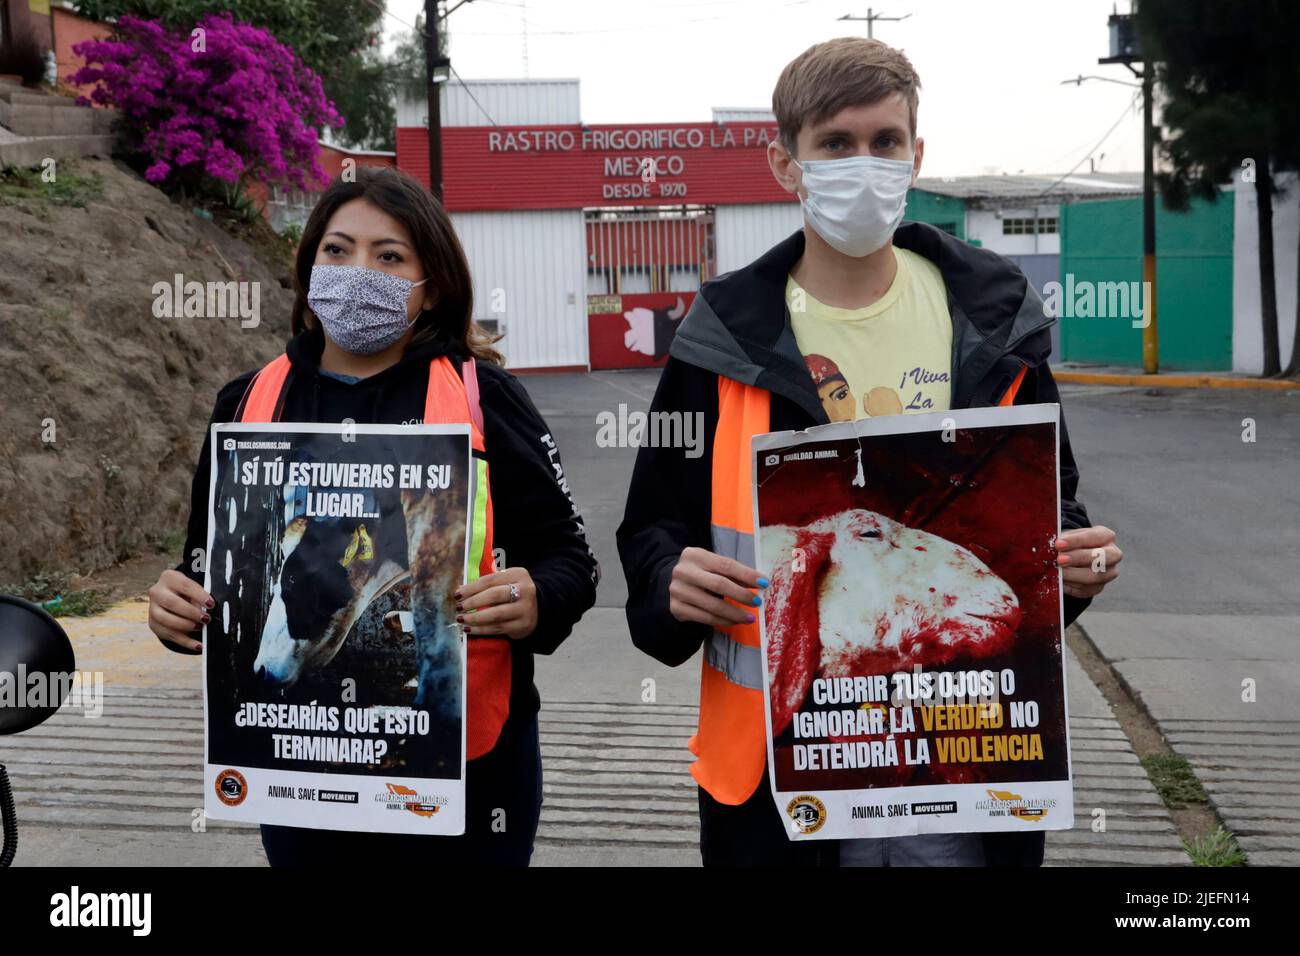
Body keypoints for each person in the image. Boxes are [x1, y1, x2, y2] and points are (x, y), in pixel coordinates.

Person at [617, 37, 1123, 868]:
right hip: (781, 778)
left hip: (965, 764)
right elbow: (651, 528)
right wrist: (669, 580)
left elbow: (1053, 505)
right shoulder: (720, 340)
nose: (865, 163)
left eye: (885, 142)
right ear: (786, 163)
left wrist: (1076, 560)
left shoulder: (995, 325)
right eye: (836, 144)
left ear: (916, 155)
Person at [148, 166, 599, 866]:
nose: (358, 272)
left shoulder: (485, 399)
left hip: (467, 769)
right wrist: (179, 605)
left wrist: (538, 598)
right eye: (337, 250)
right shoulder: (246, 402)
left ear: (432, 285)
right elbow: (208, 570)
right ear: (307, 268)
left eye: (389, 256)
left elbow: (570, 562)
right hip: (298, 767)